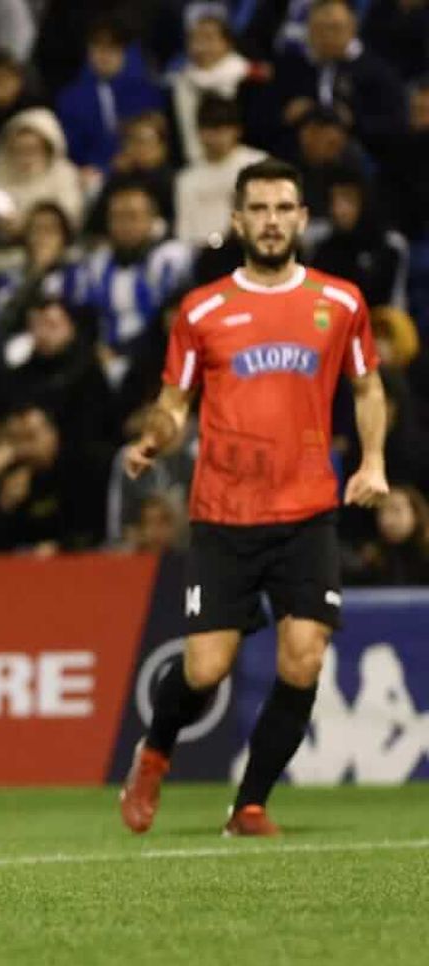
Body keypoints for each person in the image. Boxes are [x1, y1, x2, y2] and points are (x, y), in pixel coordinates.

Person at [118, 159, 389, 839]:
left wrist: (373, 461)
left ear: (302, 218)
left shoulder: (341, 302)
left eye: (284, 208)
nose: (272, 221)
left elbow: (367, 388)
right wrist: (156, 437)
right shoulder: (202, 309)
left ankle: (249, 805)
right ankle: (155, 752)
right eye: (260, 209)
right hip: (225, 512)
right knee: (205, 668)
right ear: (238, 220)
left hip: (307, 510)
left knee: (305, 657)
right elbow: (174, 402)